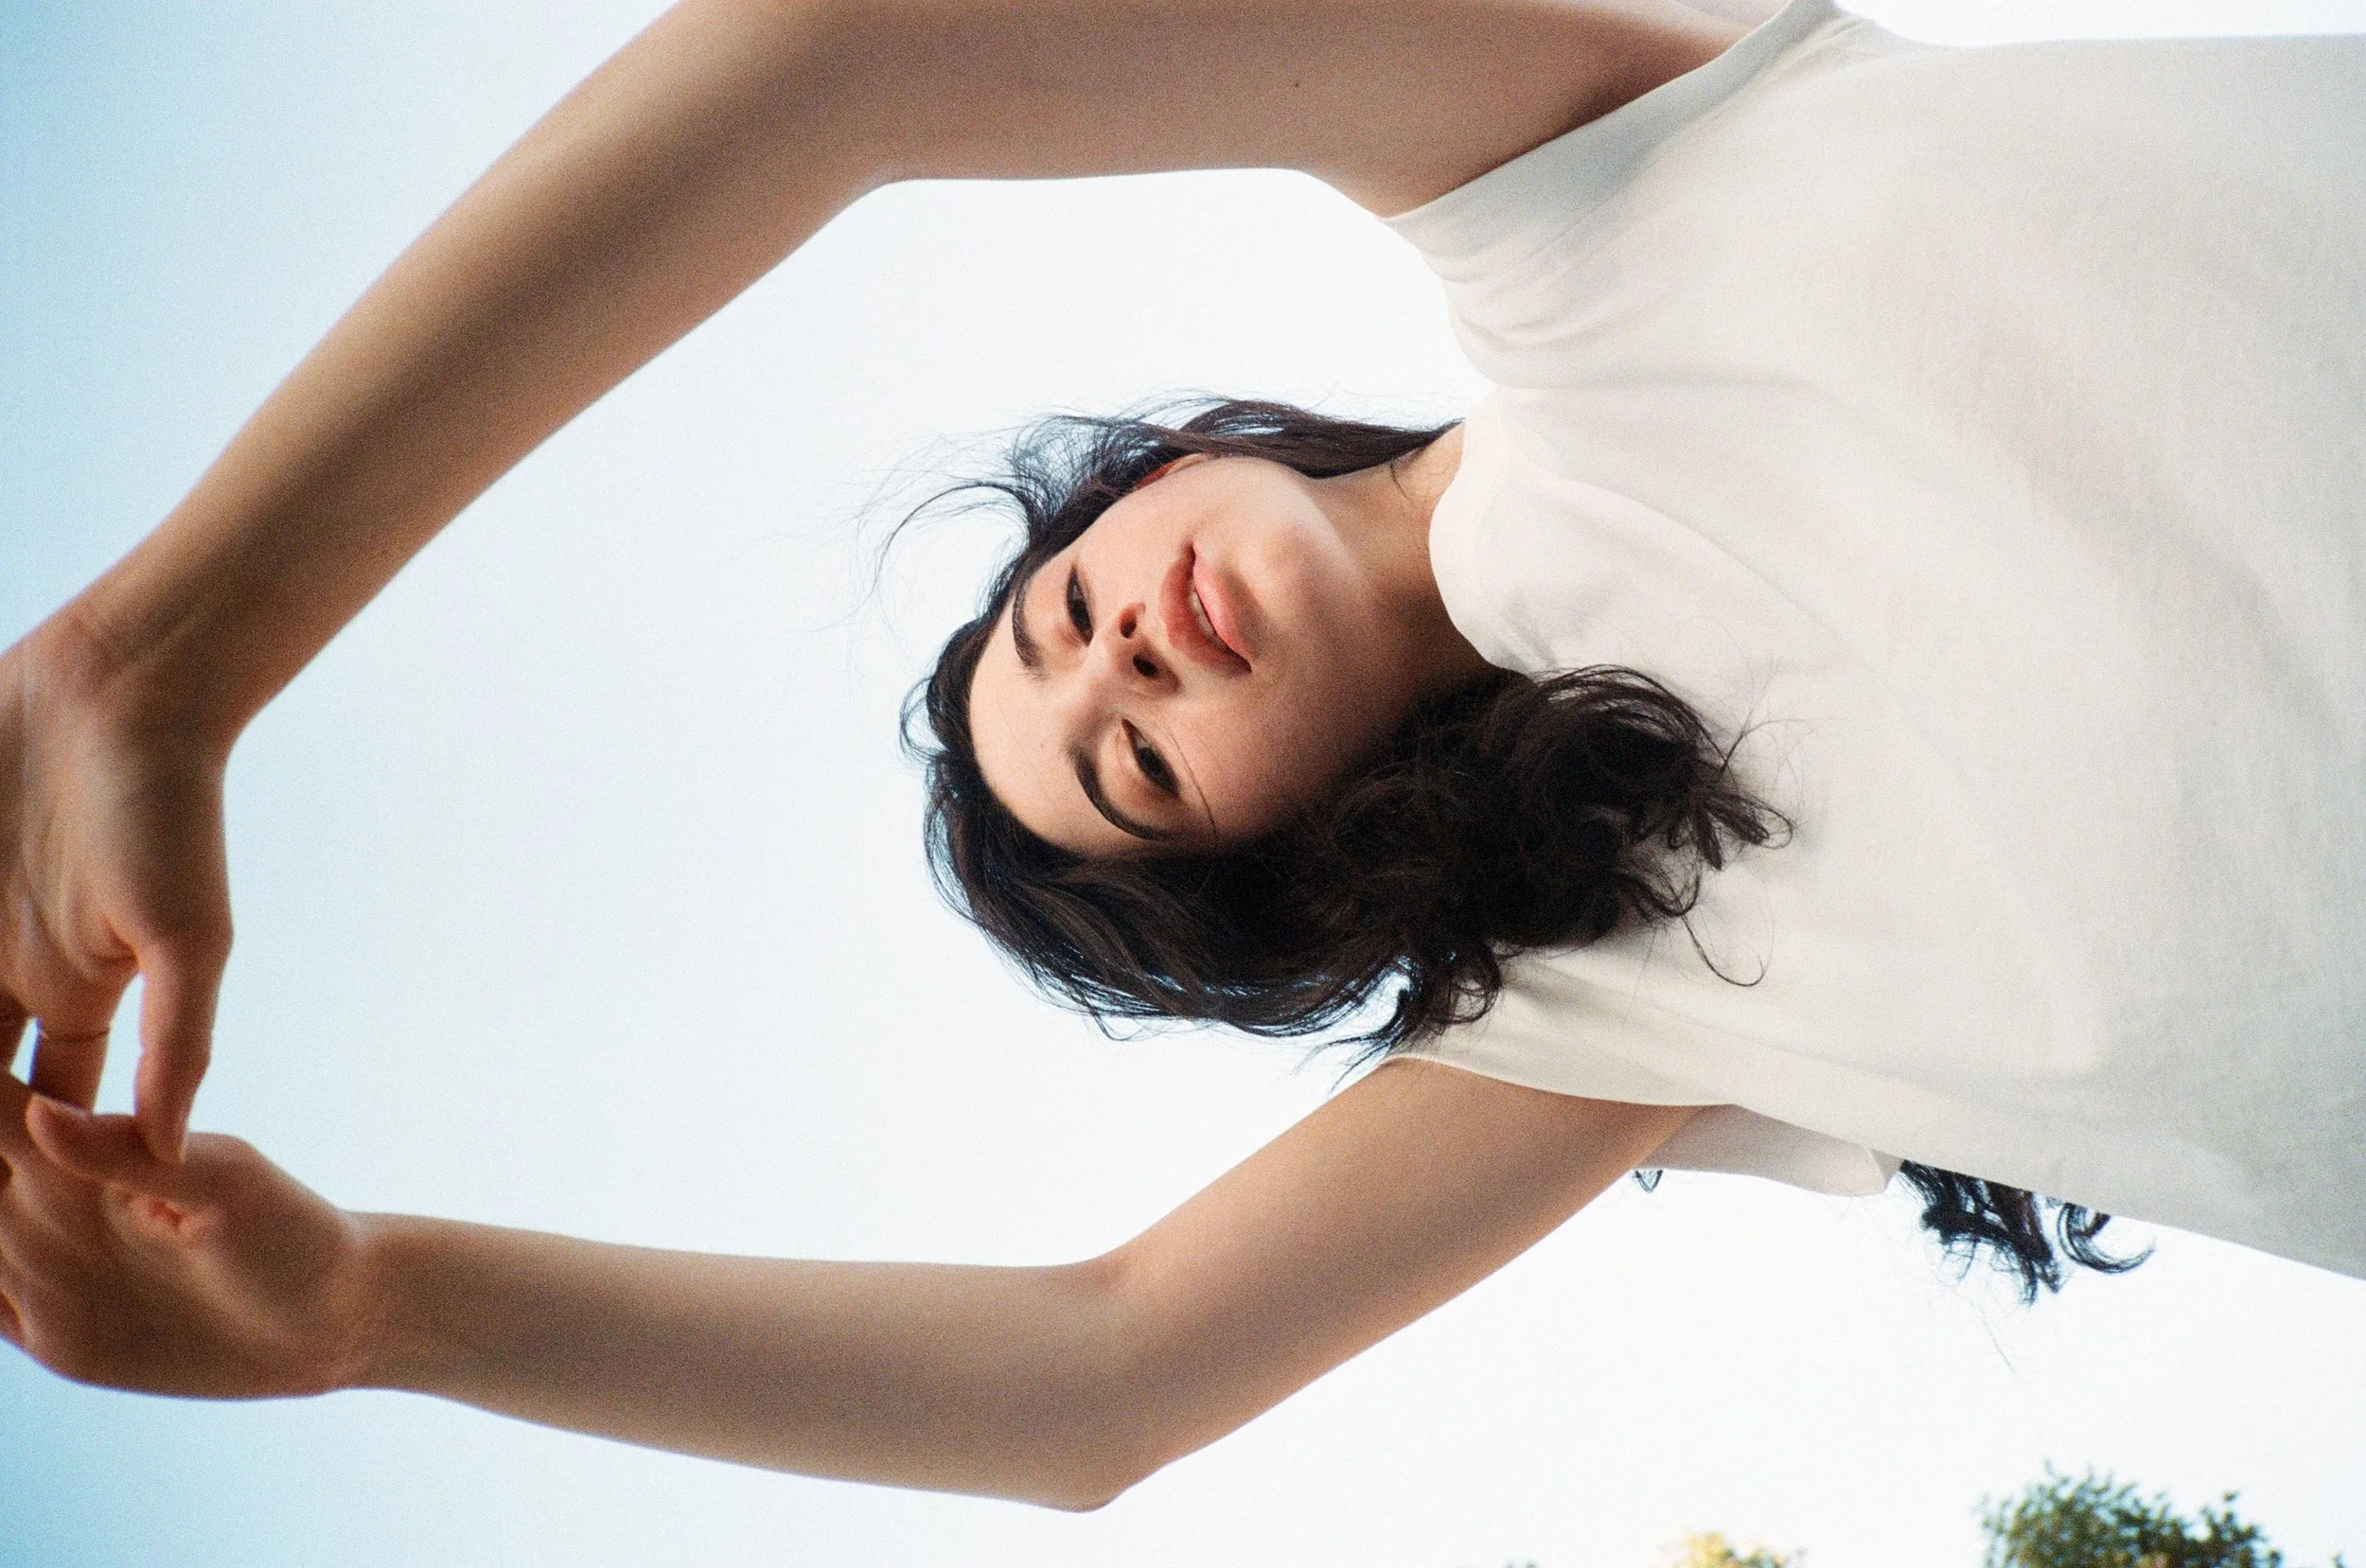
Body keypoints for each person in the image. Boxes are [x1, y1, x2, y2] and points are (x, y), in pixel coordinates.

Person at [1, 0, 2359, 1513]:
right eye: (1128, 763)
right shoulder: (1622, 998)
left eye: (1061, 616)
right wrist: (375, 1307)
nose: (1121, 654)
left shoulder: (1583, 190)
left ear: (1139, 483)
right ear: (1280, 866)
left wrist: (161, 651)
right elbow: (1091, 1382)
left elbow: (854, 53)